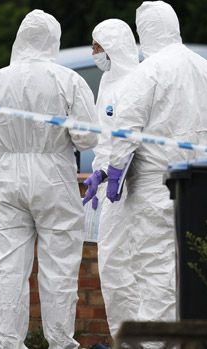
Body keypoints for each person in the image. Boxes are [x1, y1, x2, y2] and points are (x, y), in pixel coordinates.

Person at [0, 9, 98, 349]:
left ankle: (8, 343)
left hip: (9, 178)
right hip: (55, 175)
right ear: (53, 40)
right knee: (59, 267)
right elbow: (88, 137)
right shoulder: (68, 79)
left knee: (9, 267)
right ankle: (59, 342)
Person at [103, 0, 207, 343]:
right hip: (202, 189)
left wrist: (114, 173)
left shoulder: (149, 72)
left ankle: (155, 343)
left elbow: (126, 130)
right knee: (193, 275)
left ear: (145, 32)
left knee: (154, 272)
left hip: (156, 191)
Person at [81, 18, 140, 341]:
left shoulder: (135, 83)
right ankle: (123, 338)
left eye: (98, 46)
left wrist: (112, 171)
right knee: (111, 265)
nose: (94, 52)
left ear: (113, 48)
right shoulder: (108, 83)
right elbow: (104, 138)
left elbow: (129, 137)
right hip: (110, 185)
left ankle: (138, 339)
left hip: (132, 187)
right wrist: (99, 170)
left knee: (126, 267)